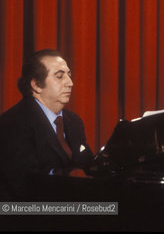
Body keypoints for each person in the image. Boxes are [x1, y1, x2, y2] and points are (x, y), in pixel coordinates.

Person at [0, 49, 94, 200]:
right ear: (36, 85)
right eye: (59, 76)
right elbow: (26, 185)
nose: (70, 83)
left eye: (69, 75)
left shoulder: (74, 121)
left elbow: (88, 165)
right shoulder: (13, 123)